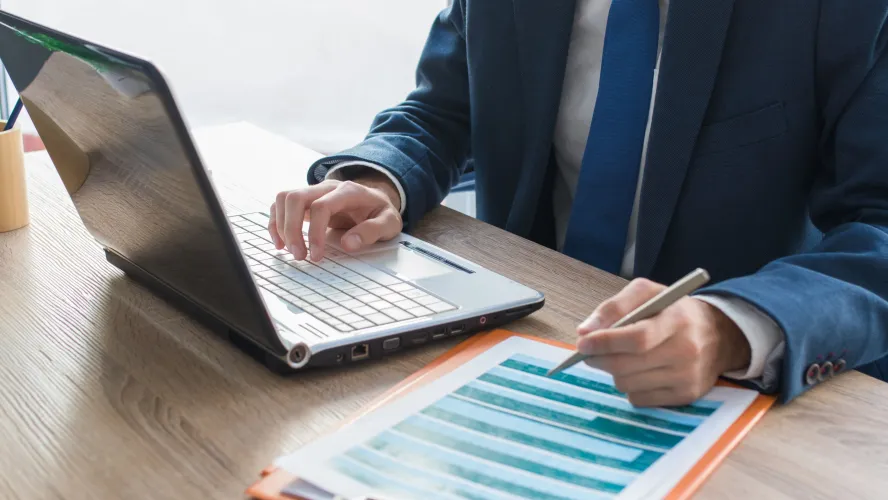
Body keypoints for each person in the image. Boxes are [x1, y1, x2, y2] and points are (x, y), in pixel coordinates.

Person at [268, 0, 888, 405]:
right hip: (524, 338)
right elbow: (446, 108)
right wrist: (380, 179)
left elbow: (879, 225)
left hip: (728, 390)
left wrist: (730, 326)